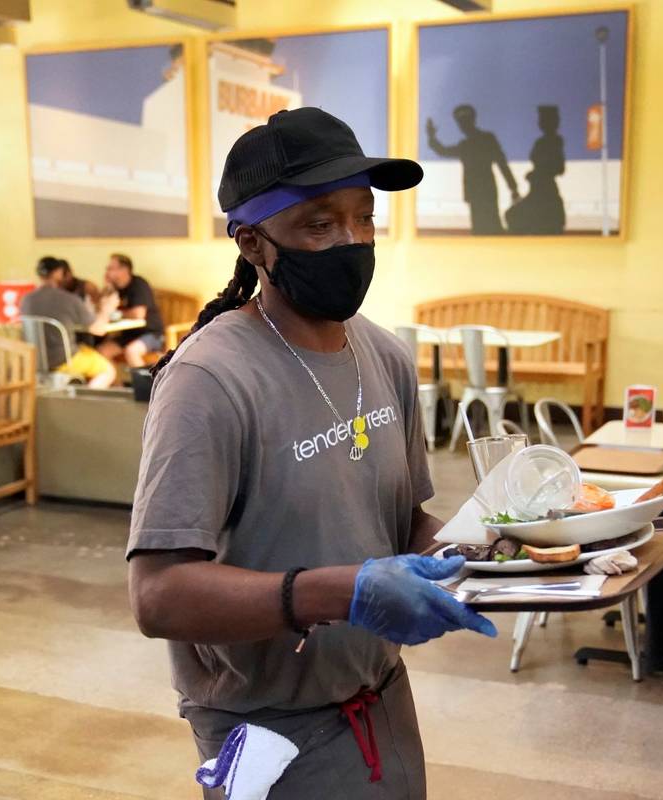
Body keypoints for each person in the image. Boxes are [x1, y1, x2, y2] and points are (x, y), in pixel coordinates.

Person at [127, 107, 496, 799]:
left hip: (380, 702)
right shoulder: (210, 379)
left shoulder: (381, 353)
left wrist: (492, 555)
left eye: (364, 218)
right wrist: (340, 593)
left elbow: (404, 523)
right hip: (261, 729)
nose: (352, 240)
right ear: (254, 243)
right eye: (319, 225)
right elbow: (159, 595)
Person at [19, 256, 119, 388]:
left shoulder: (26, 299)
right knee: (108, 370)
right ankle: (85, 401)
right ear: (58, 273)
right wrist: (107, 309)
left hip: (34, 359)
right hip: (64, 359)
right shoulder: (70, 299)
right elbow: (98, 330)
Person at [426, 104, 518, 235]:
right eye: (460, 123)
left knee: (488, 227)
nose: (462, 126)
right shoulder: (472, 143)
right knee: (483, 228)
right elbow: (443, 151)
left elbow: (502, 163)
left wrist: (513, 187)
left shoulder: (484, 140)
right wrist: (431, 137)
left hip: (483, 191)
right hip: (479, 192)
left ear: (471, 121)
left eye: (464, 122)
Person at [505, 105, 566, 235]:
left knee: (513, 216)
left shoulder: (552, 142)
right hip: (539, 189)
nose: (540, 122)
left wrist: (537, 173)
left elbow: (559, 168)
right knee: (512, 215)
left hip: (543, 191)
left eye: (543, 119)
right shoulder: (546, 141)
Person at [96, 253, 165, 368]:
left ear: (124, 269)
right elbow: (101, 307)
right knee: (102, 351)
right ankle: (120, 385)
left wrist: (118, 314)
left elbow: (138, 314)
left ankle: (146, 384)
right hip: (129, 335)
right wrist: (107, 288)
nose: (107, 272)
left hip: (151, 333)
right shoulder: (115, 288)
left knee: (131, 352)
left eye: (111, 268)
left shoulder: (138, 285)